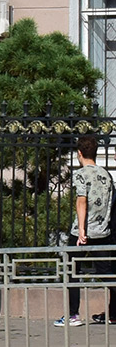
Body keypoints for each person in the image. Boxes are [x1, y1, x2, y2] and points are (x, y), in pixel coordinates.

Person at [55, 135, 116, 326]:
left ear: (79, 153)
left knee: (73, 271)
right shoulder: (107, 175)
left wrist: (82, 230)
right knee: (109, 274)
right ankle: (114, 313)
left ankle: (73, 315)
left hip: (83, 232)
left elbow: (82, 201)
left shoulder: (81, 174)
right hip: (103, 231)